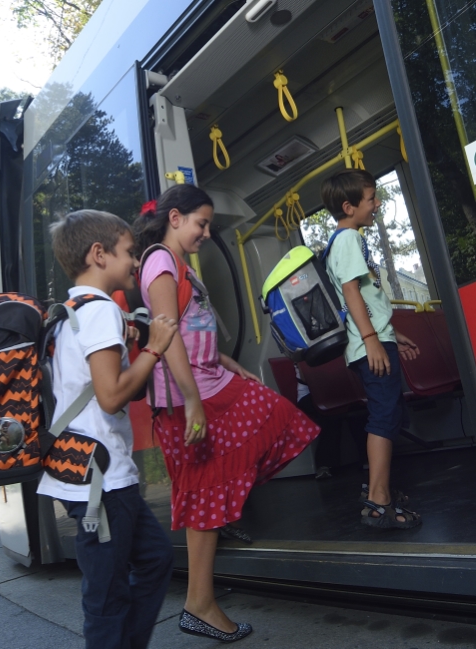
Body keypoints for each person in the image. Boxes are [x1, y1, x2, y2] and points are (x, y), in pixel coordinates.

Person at [134, 185, 319, 643]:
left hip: (208, 382)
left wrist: (229, 363)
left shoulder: (178, 264)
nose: (206, 232)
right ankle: (199, 603)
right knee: (210, 485)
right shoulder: (160, 260)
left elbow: (197, 333)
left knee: (273, 425)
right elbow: (168, 334)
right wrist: (192, 397)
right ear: (175, 218)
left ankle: (221, 516)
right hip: (189, 398)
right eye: (201, 223)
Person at [36, 209, 179, 649]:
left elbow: (113, 392)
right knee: (105, 596)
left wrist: (136, 354)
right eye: (130, 252)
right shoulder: (98, 311)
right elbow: (113, 396)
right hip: (101, 481)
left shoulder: (68, 311)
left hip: (94, 473)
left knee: (154, 559)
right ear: (99, 254)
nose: (136, 262)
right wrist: (154, 350)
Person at [320, 169, 423, 529]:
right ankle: (379, 500)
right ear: (349, 206)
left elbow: (366, 297)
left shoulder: (349, 239)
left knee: (390, 413)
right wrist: (371, 339)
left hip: (374, 338)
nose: (377, 204)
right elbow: (351, 292)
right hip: (368, 344)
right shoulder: (347, 239)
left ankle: (383, 490)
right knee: (384, 416)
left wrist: (390, 332)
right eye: (371, 198)